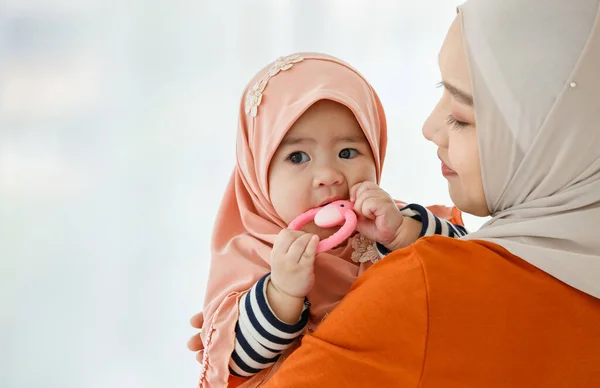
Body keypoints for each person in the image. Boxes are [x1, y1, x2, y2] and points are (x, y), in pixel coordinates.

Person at [254, 0, 600, 386]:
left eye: (461, 115)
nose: (429, 127)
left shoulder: (423, 288)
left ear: (555, 137)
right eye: (297, 156)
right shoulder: (254, 257)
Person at [191, 52, 466, 387]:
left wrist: (403, 234)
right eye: (297, 157)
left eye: (347, 153)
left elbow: (468, 266)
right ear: (258, 173)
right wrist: (282, 293)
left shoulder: (389, 221)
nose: (328, 175)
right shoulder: (252, 250)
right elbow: (233, 362)